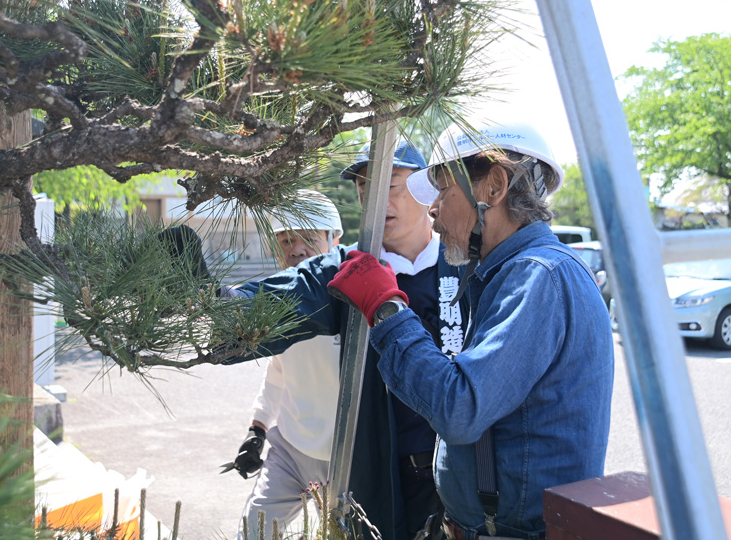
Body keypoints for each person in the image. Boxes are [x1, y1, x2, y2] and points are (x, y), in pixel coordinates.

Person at [327, 122, 614, 539]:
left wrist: (386, 308)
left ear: (493, 187)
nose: (433, 209)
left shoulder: (537, 278)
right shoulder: (512, 274)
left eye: (443, 191)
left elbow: (460, 410)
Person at [224, 140, 467, 540]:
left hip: (452, 468)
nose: (375, 198)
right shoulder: (353, 267)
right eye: (364, 187)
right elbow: (294, 290)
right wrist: (223, 304)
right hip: (373, 466)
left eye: (390, 185)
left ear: (427, 189)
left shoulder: (464, 265)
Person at [233, 190, 345, 538]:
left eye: (309, 238)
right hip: (292, 448)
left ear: (335, 239)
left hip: (348, 455)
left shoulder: (357, 297)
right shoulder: (278, 301)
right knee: (255, 530)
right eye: (285, 240)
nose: (296, 249)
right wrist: (257, 430)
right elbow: (278, 372)